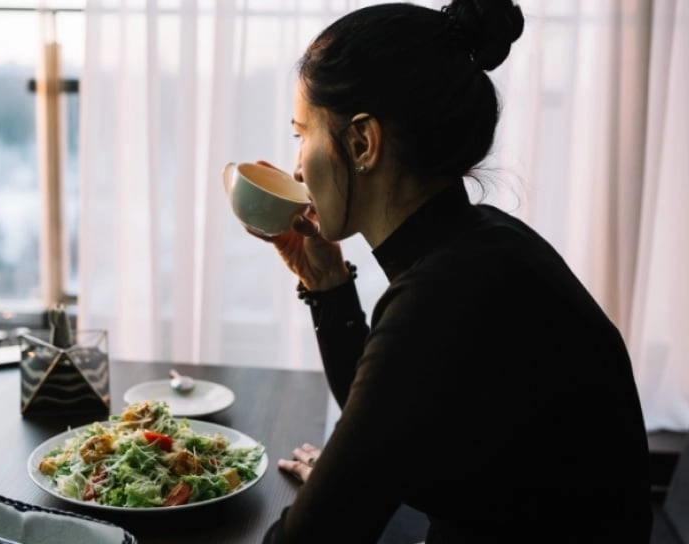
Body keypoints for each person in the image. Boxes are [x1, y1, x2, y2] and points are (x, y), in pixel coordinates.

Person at [252, 1, 654, 542]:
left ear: (362, 143)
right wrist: (327, 284)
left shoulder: (442, 297)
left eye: (303, 135)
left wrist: (340, 493)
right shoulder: (486, 244)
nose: (297, 167)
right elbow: (391, 424)